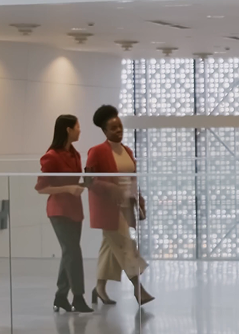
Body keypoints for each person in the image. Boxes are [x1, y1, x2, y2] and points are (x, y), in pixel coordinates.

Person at [85, 105, 155, 306]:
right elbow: (89, 180)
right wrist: (111, 188)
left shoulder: (127, 151)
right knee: (126, 246)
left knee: (110, 248)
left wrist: (140, 201)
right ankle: (138, 289)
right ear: (104, 131)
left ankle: (99, 289)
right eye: (113, 128)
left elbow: (132, 180)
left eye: (120, 127)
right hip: (109, 210)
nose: (118, 131)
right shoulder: (97, 152)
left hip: (127, 207)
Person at [35, 114, 93, 313]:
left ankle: (61, 296)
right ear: (68, 130)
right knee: (73, 251)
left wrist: (85, 183)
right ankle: (78, 297)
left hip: (75, 209)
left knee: (69, 252)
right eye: (77, 127)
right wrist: (68, 189)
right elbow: (41, 188)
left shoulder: (75, 154)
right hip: (59, 211)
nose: (80, 130)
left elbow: (73, 183)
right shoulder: (51, 156)